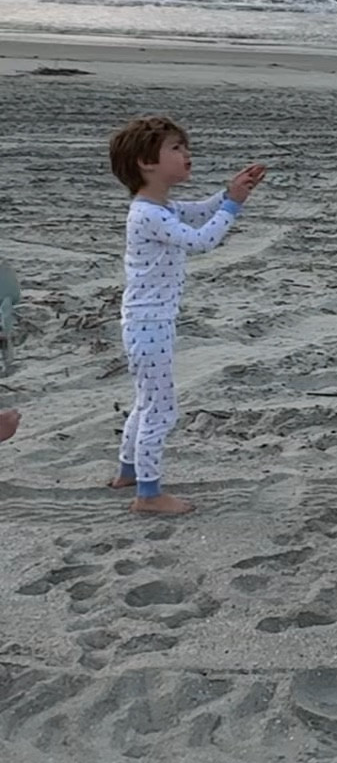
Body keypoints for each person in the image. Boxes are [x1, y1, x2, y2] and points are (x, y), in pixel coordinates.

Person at [107, 116, 265, 517]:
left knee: (146, 401)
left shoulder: (160, 207)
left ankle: (128, 471)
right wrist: (232, 206)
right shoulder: (149, 214)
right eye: (176, 148)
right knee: (160, 408)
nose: (186, 154)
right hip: (150, 325)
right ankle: (148, 494)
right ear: (146, 162)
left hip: (146, 323)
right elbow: (201, 240)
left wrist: (229, 193)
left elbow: (196, 212)